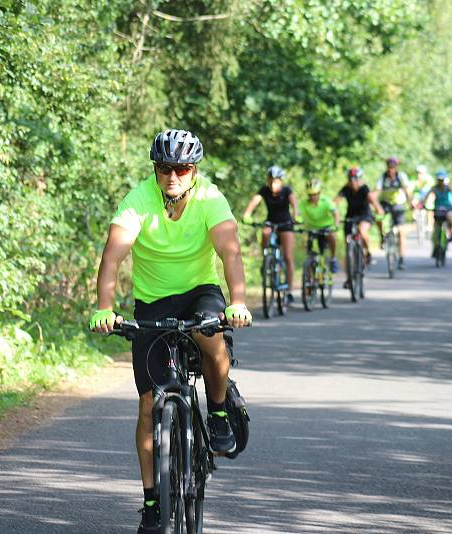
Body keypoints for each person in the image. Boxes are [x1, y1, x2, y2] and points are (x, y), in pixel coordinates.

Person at [89, 129, 252, 534]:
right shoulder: (138, 201)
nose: (173, 176)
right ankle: (151, 504)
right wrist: (104, 308)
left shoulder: (211, 199)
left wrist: (238, 301)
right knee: (148, 405)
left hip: (200, 292)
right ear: (155, 170)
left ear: (194, 170)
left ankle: (216, 412)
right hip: (152, 302)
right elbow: (112, 258)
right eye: (165, 168)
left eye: (182, 168)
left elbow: (229, 252)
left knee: (212, 340)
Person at [242, 165, 299, 302]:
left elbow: (294, 205)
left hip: (286, 223)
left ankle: (289, 291)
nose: (273, 184)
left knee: (288, 257)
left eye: (276, 181)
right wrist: (247, 214)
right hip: (271, 222)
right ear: (267, 180)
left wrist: (296, 217)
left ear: (281, 181)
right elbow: (254, 202)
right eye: (271, 180)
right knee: (265, 232)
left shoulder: (287, 191)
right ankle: (266, 259)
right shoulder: (264, 190)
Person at [334, 166, 385, 271]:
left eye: (355, 179)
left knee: (362, 231)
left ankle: (367, 251)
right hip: (350, 216)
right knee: (347, 241)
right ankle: (350, 275)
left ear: (359, 179)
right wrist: (331, 211)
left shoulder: (364, 189)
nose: (353, 182)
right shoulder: (346, 188)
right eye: (350, 179)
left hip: (364, 215)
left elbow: (373, 201)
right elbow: (334, 202)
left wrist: (378, 209)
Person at [374, 156, 414, 269]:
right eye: (389, 167)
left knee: (401, 232)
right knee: (378, 217)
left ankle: (401, 258)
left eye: (393, 167)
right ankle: (382, 236)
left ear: (396, 167)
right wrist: (374, 204)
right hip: (386, 202)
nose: (391, 169)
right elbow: (376, 191)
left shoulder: (401, 176)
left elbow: (407, 191)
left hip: (399, 204)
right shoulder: (383, 177)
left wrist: (411, 203)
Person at [297, 179, 340, 273]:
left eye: (315, 194)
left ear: (319, 193)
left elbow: (335, 213)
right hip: (311, 228)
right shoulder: (303, 203)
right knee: (309, 252)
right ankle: (309, 277)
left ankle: (333, 258)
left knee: (331, 235)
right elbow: (298, 216)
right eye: (310, 195)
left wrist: (335, 226)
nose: (313, 197)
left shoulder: (326, 201)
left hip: (326, 227)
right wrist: (297, 223)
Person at [422, 169, 452, 243]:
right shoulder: (434, 188)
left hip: (447, 208)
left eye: (442, 179)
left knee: (450, 219)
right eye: (439, 179)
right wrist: (424, 204)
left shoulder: (448, 187)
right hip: (437, 208)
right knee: (435, 223)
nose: (440, 181)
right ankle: (435, 240)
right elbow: (426, 197)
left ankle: (450, 232)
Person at [414, 164, 435, 232]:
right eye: (418, 173)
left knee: (430, 206)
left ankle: (430, 224)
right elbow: (410, 189)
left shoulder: (429, 179)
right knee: (414, 201)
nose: (419, 175)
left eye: (421, 173)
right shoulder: (414, 179)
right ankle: (415, 215)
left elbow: (433, 190)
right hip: (418, 196)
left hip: (427, 195)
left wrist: (431, 197)